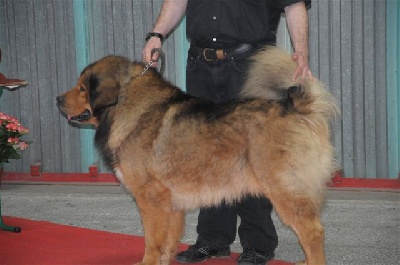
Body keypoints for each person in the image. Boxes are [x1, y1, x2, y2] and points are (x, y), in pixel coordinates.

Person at [142, 1, 312, 265]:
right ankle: (212, 239)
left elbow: (294, 4)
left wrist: (301, 51)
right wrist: (156, 34)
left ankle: (258, 244)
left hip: (250, 65)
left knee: (253, 158)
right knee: (206, 156)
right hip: (200, 63)